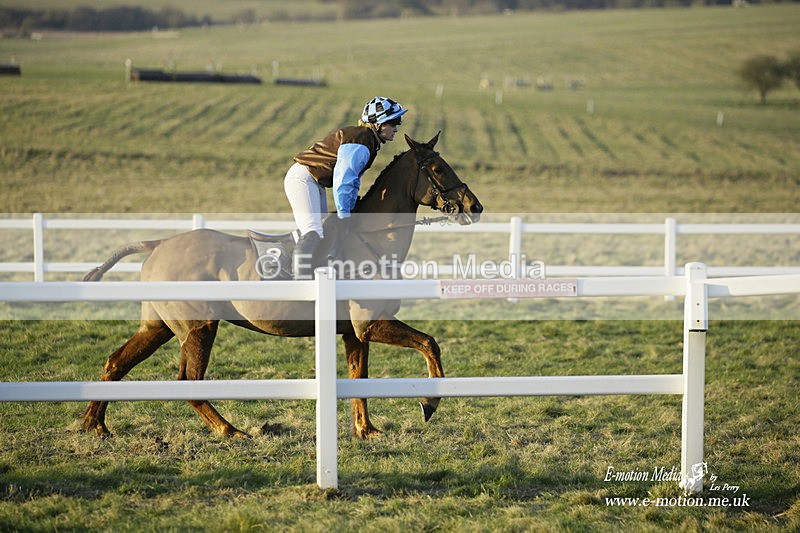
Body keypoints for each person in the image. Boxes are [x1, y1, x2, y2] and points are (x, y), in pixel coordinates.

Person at [284, 96, 407, 279]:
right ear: (379, 124)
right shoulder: (362, 140)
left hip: (315, 182)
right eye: (393, 122)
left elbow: (353, 182)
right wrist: (344, 214)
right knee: (313, 232)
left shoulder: (368, 141)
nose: (396, 128)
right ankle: (299, 285)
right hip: (303, 179)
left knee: (324, 232)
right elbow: (344, 181)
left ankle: (317, 277)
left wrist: (349, 209)